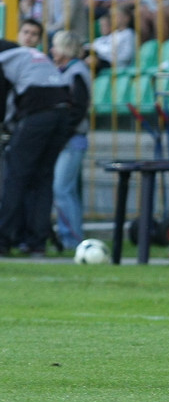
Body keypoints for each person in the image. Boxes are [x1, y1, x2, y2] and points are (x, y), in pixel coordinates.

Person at [0, 38, 73, 256]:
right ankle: (37, 242)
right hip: (63, 113)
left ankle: (3, 240)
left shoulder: (3, 60)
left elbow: (3, 103)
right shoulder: (29, 55)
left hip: (37, 115)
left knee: (15, 177)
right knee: (43, 178)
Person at [50, 30, 91, 250]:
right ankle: (73, 237)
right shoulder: (68, 70)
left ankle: (72, 239)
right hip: (70, 138)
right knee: (67, 190)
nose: (52, 50)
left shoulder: (76, 73)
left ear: (65, 49)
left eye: (55, 46)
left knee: (62, 189)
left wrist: (61, 134)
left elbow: (77, 109)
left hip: (72, 139)